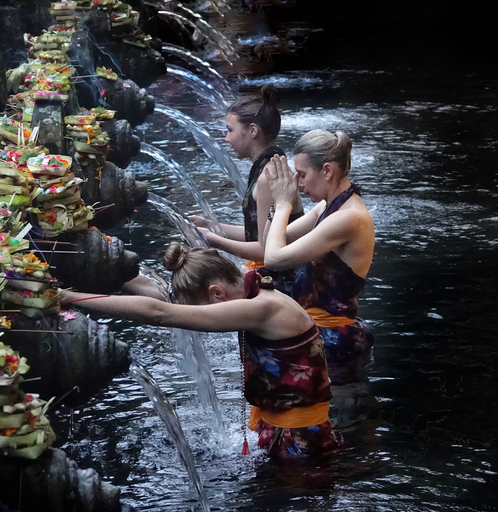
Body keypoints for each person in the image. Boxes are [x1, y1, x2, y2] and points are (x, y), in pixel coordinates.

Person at [60, 242, 342, 461]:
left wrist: (70, 298)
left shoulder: (261, 309)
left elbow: (160, 313)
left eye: (202, 310)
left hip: (300, 442)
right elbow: (163, 299)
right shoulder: (251, 283)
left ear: (216, 294)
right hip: (285, 428)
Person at [262, 129, 375, 373]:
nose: (299, 184)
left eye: (302, 175)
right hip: (319, 333)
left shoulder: (350, 218)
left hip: (334, 340)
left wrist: (284, 204)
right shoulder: (327, 207)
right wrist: (277, 202)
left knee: (339, 408)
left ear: (327, 170)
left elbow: (274, 258)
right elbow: (268, 245)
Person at [189, 84, 303, 268]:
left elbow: (265, 251)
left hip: (285, 281)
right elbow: (258, 233)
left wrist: (214, 240)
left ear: (252, 131)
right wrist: (210, 226)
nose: (226, 138)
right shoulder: (267, 165)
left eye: (230, 130)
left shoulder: (268, 177)